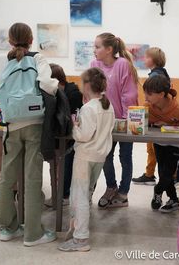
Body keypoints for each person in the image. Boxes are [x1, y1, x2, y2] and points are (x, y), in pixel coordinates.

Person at [0, 22, 58, 246]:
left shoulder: (2, 61)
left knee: (7, 177)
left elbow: (0, 86)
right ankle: (33, 234)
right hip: (34, 124)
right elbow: (48, 85)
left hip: (11, 124)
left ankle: (7, 228)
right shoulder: (37, 58)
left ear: (10, 41)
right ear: (31, 39)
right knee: (32, 178)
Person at [58, 67, 115, 252]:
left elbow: (83, 135)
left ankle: (81, 238)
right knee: (86, 193)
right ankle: (76, 227)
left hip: (85, 156)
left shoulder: (89, 108)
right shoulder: (108, 106)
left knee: (79, 196)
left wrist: (74, 127)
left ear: (88, 86)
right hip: (99, 157)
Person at [90, 33, 139, 208]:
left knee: (125, 157)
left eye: (97, 47)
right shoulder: (94, 65)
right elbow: (91, 93)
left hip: (123, 122)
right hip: (103, 122)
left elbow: (129, 94)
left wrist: (126, 119)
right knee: (106, 156)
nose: (94, 50)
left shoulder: (122, 64)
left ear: (109, 49)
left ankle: (123, 193)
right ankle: (111, 187)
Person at [144, 75, 179, 213]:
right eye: (145, 92)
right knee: (162, 172)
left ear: (161, 94)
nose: (145, 97)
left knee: (167, 173)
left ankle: (157, 190)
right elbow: (142, 121)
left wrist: (170, 124)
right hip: (159, 143)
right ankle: (173, 199)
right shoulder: (147, 108)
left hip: (175, 145)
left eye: (149, 94)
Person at [44, 64, 83, 207]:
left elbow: (73, 118)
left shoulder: (72, 93)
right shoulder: (55, 92)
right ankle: (56, 194)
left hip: (69, 138)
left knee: (64, 166)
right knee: (53, 166)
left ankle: (62, 195)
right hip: (57, 136)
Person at [132, 47, 170, 186]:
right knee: (154, 148)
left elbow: (152, 98)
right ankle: (150, 173)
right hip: (158, 114)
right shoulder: (161, 73)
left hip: (155, 115)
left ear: (153, 60)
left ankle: (153, 174)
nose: (144, 59)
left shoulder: (155, 76)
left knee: (153, 147)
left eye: (146, 57)